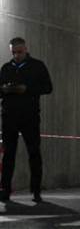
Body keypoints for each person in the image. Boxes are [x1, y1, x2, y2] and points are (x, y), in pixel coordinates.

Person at [0, 37, 53, 202]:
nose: (16, 56)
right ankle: (5, 189)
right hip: (9, 116)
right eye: (14, 52)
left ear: (26, 49)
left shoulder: (37, 66)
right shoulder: (6, 68)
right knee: (8, 154)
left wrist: (27, 89)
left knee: (34, 153)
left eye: (19, 52)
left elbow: (48, 87)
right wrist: (5, 89)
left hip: (30, 116)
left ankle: (36, 190)